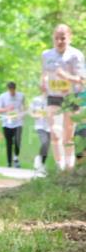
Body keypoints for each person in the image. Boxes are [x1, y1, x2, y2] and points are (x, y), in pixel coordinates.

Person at [40, 24, 85, 171]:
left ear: (69, 38)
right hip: (53, 97)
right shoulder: (46, 55)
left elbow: (82, 80)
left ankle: (69, 166)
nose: (59, 41)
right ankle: (60, 167)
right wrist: (43, 82)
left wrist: (66, 77)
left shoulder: (76, 55)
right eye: (57, 38)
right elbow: (45, 74)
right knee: (55, 132)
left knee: (68, 135)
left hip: (72, 98)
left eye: (63, 38)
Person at [0, 81, 25, 168]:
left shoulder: (21, 96)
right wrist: (6, 109)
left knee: (18, 140)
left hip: (18, 122)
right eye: (10, 90)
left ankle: (15, 158)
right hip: (7, 123)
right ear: (8, 89)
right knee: (9, 143)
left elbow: (23, 107)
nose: (12, 92)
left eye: (13, 90)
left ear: (15, 89)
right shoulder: (2, 96)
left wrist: (22, 113)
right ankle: (9, 162)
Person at [30, 94, 49, 174]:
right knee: (44, 142)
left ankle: (42, 164)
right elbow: (31, 112)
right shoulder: (36, 99)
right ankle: (39, 160)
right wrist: (36, 115)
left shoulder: (53, 99)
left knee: (47, 146)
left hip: (50, 126)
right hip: (40, 125)